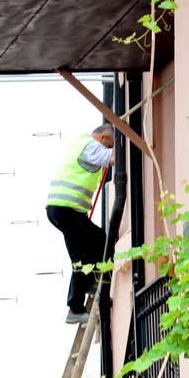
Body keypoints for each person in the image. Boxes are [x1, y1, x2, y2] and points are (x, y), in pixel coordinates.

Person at [45, 123, 115, 324]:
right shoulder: (92, 146)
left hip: (64, 209)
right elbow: (112, 159)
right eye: (109, 145)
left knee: (97, 239)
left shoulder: (79, 142)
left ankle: (90, 282)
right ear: (102, 139)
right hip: (67, 209)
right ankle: (75, 309)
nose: (108, 149)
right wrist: (123, 144)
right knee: (80, 257)